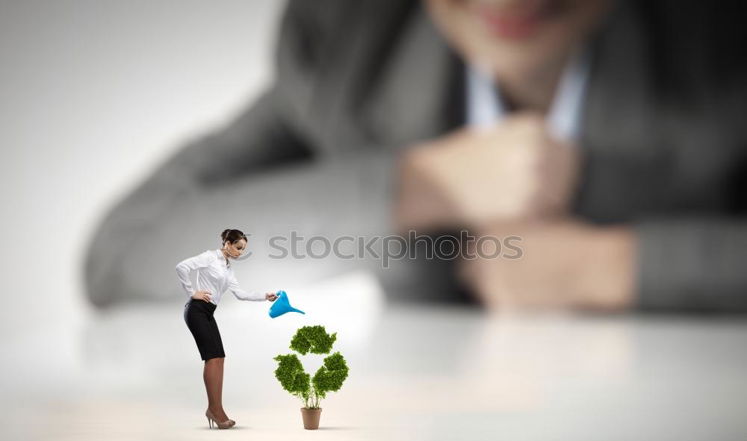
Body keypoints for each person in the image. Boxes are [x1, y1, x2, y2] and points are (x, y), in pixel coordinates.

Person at [84, 0, 747, 313]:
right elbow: (127, 251)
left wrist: (612, 266)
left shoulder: (719, 41)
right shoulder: (351, 53)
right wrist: (423, 183)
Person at [176, 229, 278, 429]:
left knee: (219, 357)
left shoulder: (228, 268)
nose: (240, 252)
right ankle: (215, 410)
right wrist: (192, 292)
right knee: (212, 357)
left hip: (208, 312)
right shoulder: (209, 257)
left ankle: (215, 409)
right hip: (196, 310)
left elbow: (240, 294)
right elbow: (182, 267)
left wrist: (264, 296)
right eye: (238, 248)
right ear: (228, 244)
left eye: (243, 249)